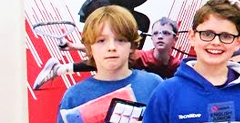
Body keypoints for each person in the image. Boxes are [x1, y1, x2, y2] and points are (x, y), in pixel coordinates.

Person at [36, 16, 184, 88]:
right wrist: (74, 46)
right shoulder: (141, 57)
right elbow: (107, 51)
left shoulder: (179, 66)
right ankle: (60, 69)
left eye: (165, 33)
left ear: (175, 39)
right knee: (110, 60)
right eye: (156, 33)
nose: (160, 36)